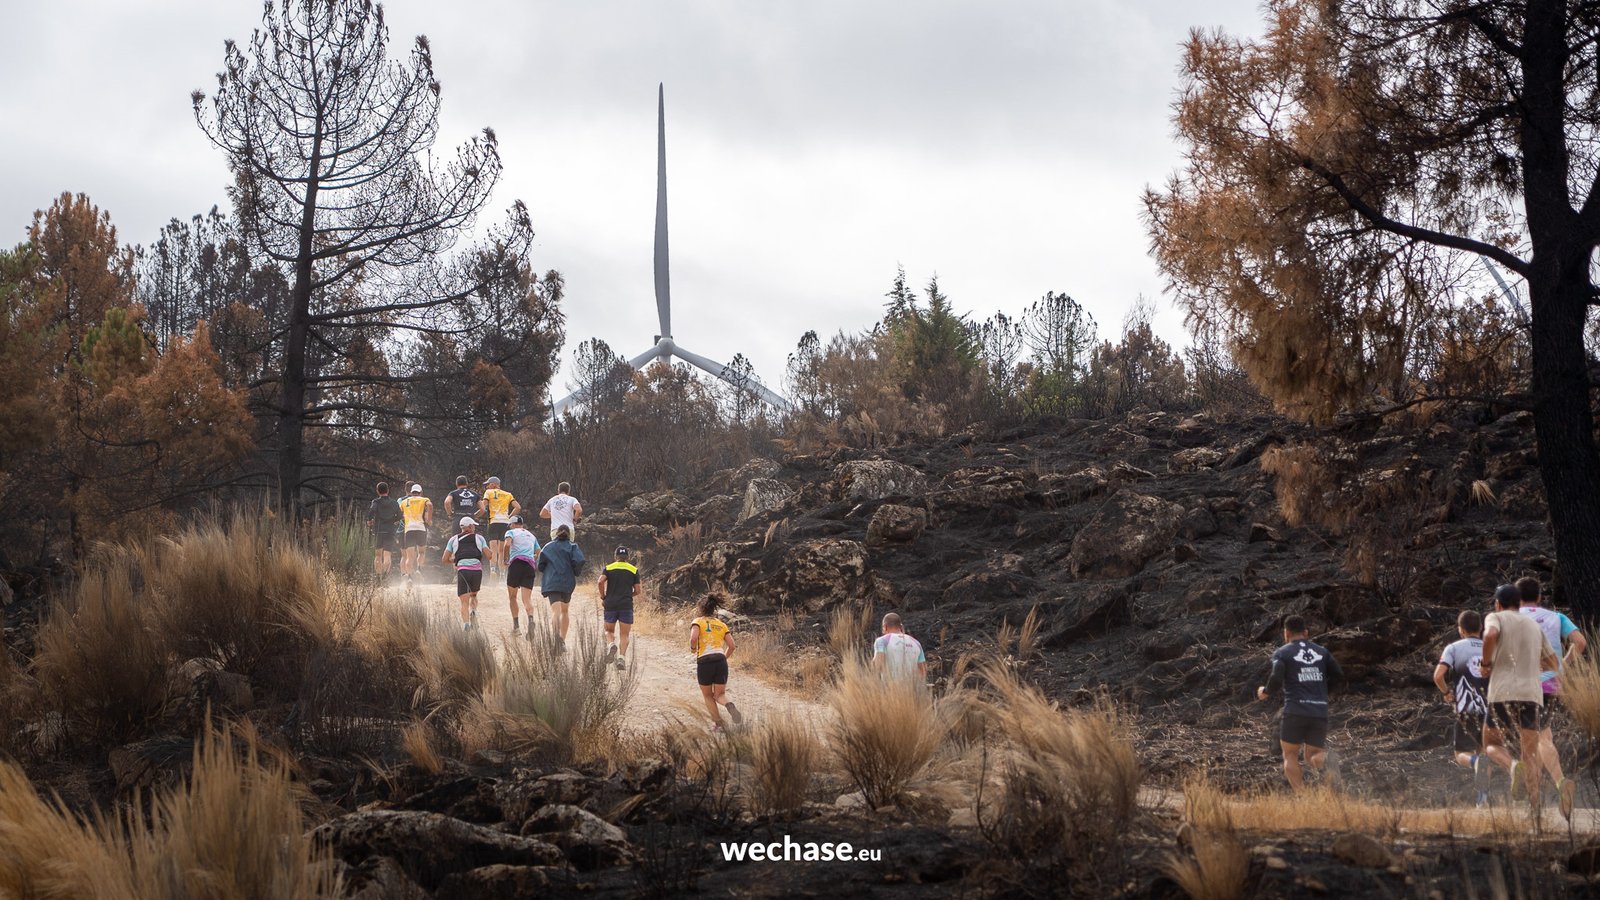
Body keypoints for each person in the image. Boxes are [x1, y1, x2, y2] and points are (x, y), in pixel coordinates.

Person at [1482, 583, 1564, 815]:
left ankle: (1512, 766)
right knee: (1530, 754)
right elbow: (1553, 664)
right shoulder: (1533, 625)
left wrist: (1486, 664)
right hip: (1532, 695)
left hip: (1501, 692)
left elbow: (1490, 634)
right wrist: (1531, 665)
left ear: (1498, 604)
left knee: (1491, 744)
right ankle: (1535, 811)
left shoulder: (1495, 617)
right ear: (1519, 604)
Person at [1515, 576, 1584, 817]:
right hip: (1552, 685)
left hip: (1523, 687)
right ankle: (1558, 783)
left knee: (1530, 745)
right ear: (1539, 597)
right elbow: (1580, 642)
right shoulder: (1557, 617)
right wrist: (1563, 666)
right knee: (1546, 736)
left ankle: (1535, 805)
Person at [1256, 615, 1343, 791]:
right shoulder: (1322, 652)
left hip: (1295, 710)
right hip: (1318, 710)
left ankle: (1302, 796)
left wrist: (1265, 691)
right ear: (1306, 633)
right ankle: (1326, 759)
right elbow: (1339, 676)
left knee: (1290, 755)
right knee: (1312, 756)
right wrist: (1324, 693)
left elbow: (1276, 676)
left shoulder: (1282, 652)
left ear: (1286, 633)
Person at [1433, 609, 1511, 806]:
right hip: (1491, 710)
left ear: (1461, 630)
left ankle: (1474, 763)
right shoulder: (1491, 648)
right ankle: (1482, 800)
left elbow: (1438, 675)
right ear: (1481, 628)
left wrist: (1446, 692)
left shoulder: (1454, 648)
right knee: (1486, 752)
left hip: (1466, 709)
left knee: (1461, 754)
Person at [690, 594, 741, 731]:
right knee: (720, 695)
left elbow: (694, 638)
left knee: (708, 695)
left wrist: (693, 649)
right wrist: (723, 658)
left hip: (705, 661)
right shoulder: (721, 624)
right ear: (714, 609)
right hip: (720, 660)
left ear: (701, 608)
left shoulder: (698, 621)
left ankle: (718, 724)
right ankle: (729, 705)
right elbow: (732, 646)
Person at [536, 524, 585, 645]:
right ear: (570, 534)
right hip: (567, 583)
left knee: (555, 611)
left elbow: (540, 565)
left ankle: (555, 638)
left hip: (552, 583)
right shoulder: (573, 546)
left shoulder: (548, 547)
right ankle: (562, 640)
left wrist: (547, 570)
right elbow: (579, 561)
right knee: (565, 611)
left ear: (556, 533)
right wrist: (575, 572)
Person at [442, 517, 488, 631]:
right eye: (473, 525)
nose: (474, 527)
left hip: (463, 571)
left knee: (464, 601)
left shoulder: (453, 539)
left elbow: (444, 559)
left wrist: (455, 560)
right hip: (477, 571)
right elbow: (489, 555)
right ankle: (473, 611)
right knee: (473, 595)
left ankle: (466, 625)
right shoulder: (479, 538)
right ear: (470, 527)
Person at [597, 546, 640, 669]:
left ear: (615, 556)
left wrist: (603, 596)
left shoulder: (609, 568)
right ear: (628, 557)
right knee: (624, 634)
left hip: (610, 604)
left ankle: (611, 644)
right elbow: (638, 590)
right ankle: (621, 658)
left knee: (609, 631)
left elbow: (600, 582)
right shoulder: (633, 569)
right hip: (626, 605)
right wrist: (628, 595)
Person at [503, 515, 541, 635]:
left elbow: (507, 544)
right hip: (529, 566)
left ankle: (516, 628)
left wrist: (505, 559)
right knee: (527, 599)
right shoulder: (532, 535)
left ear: (513, 524)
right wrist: (532, 558)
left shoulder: (511, 532)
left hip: (516, 564)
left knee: (513, 597)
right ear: (522, 524)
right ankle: (530, 619)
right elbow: (539, 552)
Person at [479, 476, 520, 578]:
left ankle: (493, 570)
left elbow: (483, 506)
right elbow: (518, 507)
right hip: (505, 523)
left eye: (488, 484)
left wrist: (478, 513)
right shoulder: (508, 494)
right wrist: (509, 516)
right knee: (502, 550)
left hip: (494, 522)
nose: (487, 486)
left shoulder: (489, 492)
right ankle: (502, 574)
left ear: (493, 484)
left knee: (493, 548)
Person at [872, 612, 927, 682]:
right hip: (911, 690)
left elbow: (877, 665)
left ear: (885, 627)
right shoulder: (916, 643)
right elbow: (923, 670)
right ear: (901, 627)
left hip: (890, 689)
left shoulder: (882, 641)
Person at [366, 481, 402, 581]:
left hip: (378, 530)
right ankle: (385, 577)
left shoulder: (376, 502)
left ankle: (378, 577)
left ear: (377, 491)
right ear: (388, 490)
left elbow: (372, 510)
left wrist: (369, 520)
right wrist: (392, 520)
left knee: (378, 555)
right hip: (390, 531)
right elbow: (400, 516)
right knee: (387, 555)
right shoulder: (394, 503)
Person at [397, 483, 433, 583]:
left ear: (411, 492)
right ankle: (419, 569)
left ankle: (409, 577)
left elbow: (399, 512)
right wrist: (429, 520)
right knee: (421, 552)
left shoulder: (404, 501)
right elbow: (430, 505)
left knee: (409, 556)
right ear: (420, 492)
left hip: (409, 529)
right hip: (421, 528)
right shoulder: (424, 499)